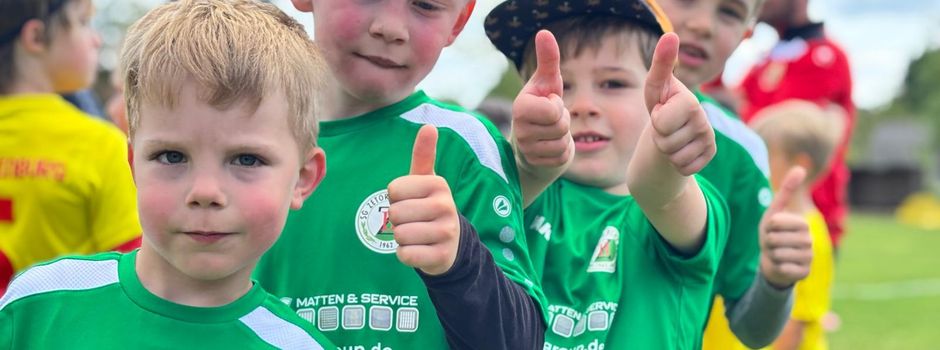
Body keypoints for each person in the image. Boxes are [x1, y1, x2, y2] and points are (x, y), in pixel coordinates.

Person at [0, 1, 339, 348]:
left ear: (302, 178)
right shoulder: (36, 306)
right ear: (133, 164)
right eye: (172, 156)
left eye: (247, 160)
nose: (205, 192)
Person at [255, 0, 575, 348]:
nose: (390, 28)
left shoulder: (464, 149)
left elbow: (518, 342)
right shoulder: (243, 145)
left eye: (424, 5)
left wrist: (459, 260)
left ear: (459, 22)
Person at [486, 1, 732, 347]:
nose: (582, 105)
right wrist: (529, 166)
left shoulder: (675, 206)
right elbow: (500, 200)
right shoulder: (518, 198)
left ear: (661, 91)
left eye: (613, 83)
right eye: (561, 86)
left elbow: (658, 190)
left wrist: (668, 148)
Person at [654, 0, 816, 347]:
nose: (703, 25)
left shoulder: (740, 152)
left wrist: (774, 282)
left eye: (728, 12)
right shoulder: (562, 114)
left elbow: (752, 329)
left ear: (746, 34)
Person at [0, 0, 140, 294]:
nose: (97, 38)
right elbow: (132, 272)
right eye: (83, 22)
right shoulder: (100, 145)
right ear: (36, 37)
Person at [739, 0, 854, 254]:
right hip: (759, 214)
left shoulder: (825, 56)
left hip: (807, 219)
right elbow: (727, 109)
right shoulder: (765, 60)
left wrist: (737, 112)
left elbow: (782, 130)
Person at [751, 100, 839, 350]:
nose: (758, 166)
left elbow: (794, 325)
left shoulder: (805, 233)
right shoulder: (776, 220)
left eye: (765, 156)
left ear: (800, 164)